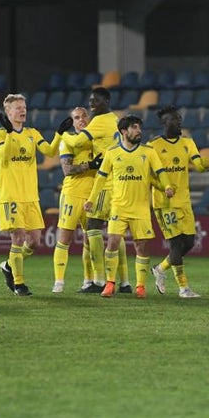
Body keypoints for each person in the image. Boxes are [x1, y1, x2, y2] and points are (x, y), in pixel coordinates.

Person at [85, 115, 175, 298]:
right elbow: (101, 177)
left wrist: (167, 186)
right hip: (118, 206)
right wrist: (91, 199)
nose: (139, 131)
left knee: (141, 246)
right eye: (134, 128)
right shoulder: (112, 153)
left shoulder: (148, 152)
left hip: (141, 208)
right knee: (112, 243)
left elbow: (160, 171)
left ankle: (140, 286)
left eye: (139, 127)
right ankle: (110, 283)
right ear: (123, 131)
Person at [0, 93, 61, 297]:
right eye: (18, 108)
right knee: (18, 237)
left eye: (24, 107)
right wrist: (9, 132)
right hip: (11, 196)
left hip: (31, 196)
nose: (23, 110)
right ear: (8, 112)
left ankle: (8, 265)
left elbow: (49, 152)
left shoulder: (32, 133)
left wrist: (59, 134)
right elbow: (3, 156)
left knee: (34, 242)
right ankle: (19, 284)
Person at [64, 87, 130, 292]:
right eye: (90, 100)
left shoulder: (100, 121)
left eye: (97, 100)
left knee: (93, 225)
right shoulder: (115, 119)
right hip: (120, 181)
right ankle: (125, 282)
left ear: (107, 101)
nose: (92, 104)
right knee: (115, 230)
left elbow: (76, 141)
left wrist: (61, 135)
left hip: (106, 181)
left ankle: (99, 280)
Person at [149, 106, 209, 298]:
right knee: (175, 244)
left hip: (184, 200)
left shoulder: (188, 143)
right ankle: (183, 288)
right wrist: (162, 188)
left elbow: (198, 163)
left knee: (189, 242)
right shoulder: (153, 146)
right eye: (174, 119)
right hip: (164, 202)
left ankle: (160, 268)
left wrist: (202, 164)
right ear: (164, 123)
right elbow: (148, 176)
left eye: (180, 118)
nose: (179, 122)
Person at [52, 106, 100, 293]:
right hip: (72, 194)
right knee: (65, 238)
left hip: (92, 194)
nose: (82, 120)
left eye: (84, 116)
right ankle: (59, 282)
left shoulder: (96, 140)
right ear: (72, 122)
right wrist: (90, 165)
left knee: (90, 239)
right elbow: (67, 170)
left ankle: (89, 280)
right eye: (77, 117)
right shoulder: (68, 141)